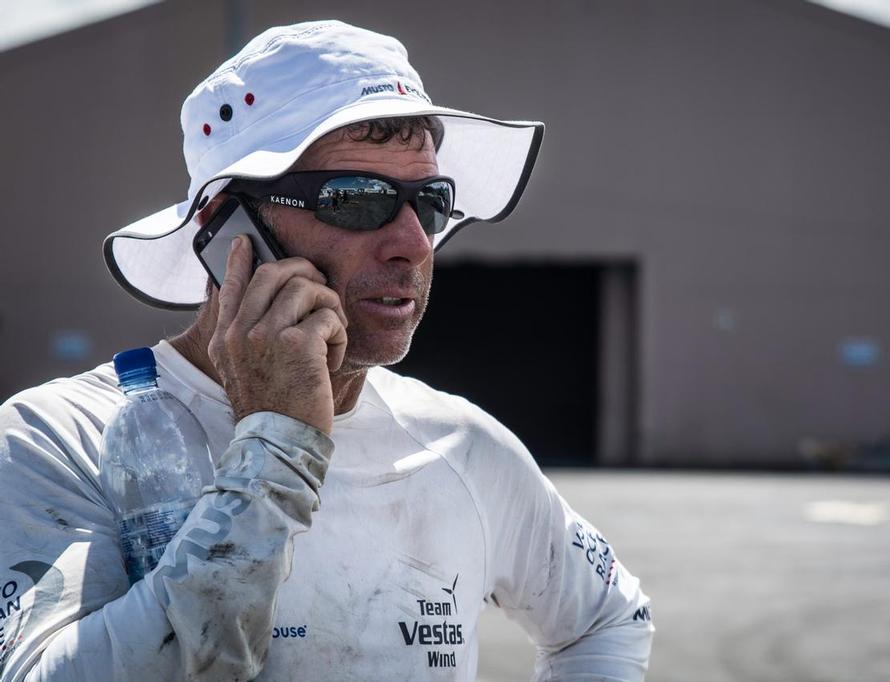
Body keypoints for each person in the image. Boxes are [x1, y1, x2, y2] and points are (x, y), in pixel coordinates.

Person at [0, 20, 654, 682]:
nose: (415, 244)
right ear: (227, 226)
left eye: (429, 201)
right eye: (356, 199)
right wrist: (277, 451)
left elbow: (608, 619)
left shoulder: (460, 444)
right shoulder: (61, 436)